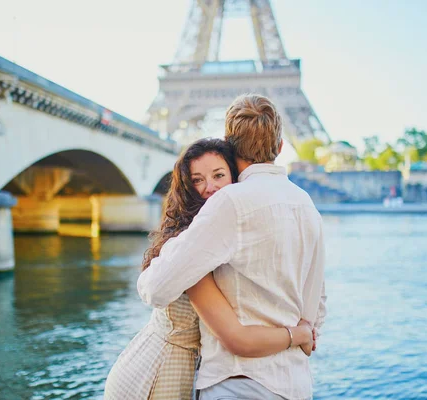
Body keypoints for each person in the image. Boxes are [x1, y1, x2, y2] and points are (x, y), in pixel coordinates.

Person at [138, 94, 327, 400]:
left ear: (230, 144)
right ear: (280, 148)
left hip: (239, 383)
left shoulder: (231, 202)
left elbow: (156, 288)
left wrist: (177, 243)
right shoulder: (307, 206)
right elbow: (317, 308)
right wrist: (298, 334)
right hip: (296, 386)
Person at [104, 138, 316, 400]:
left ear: (235, 177)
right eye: (197, 180)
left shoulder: (223, 236)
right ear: (187, 187)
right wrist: (300, 334)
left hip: (171, 370)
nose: (209, 187)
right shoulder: (195, 248)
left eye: (218, 175)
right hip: (157, 375)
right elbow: (237, 338)